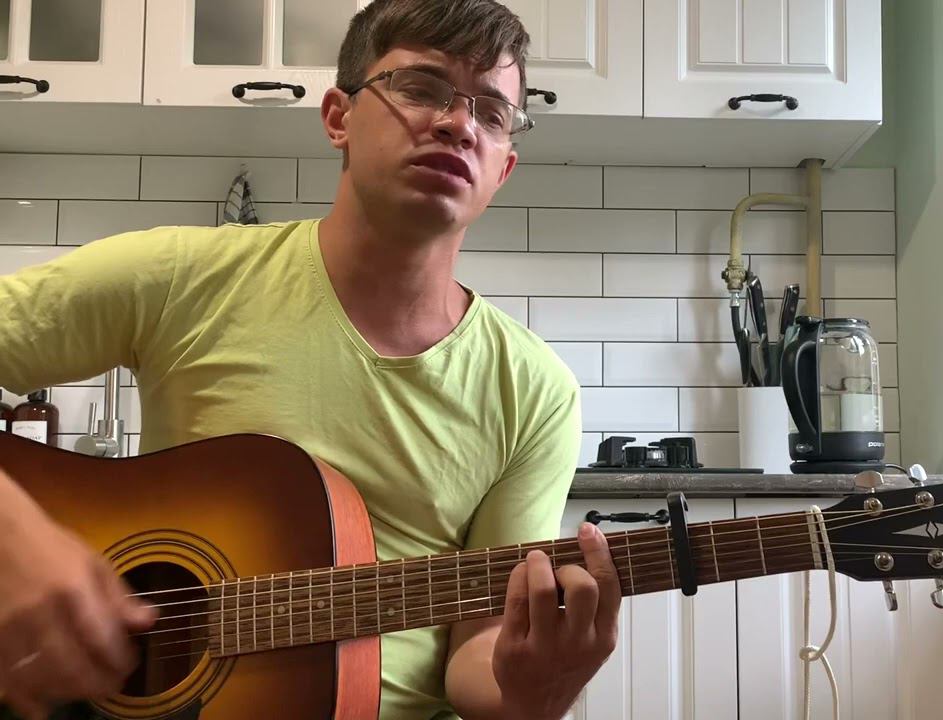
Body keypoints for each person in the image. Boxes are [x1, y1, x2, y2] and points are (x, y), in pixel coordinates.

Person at [0, 1, 621, 718]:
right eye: (421, 88)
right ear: (338, 117)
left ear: (503, 167)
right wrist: (15, 535)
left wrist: (535, 691)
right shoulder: (178, 277)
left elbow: (479, 654)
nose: (458, 124)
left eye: (492, 112)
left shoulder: (535, 389)